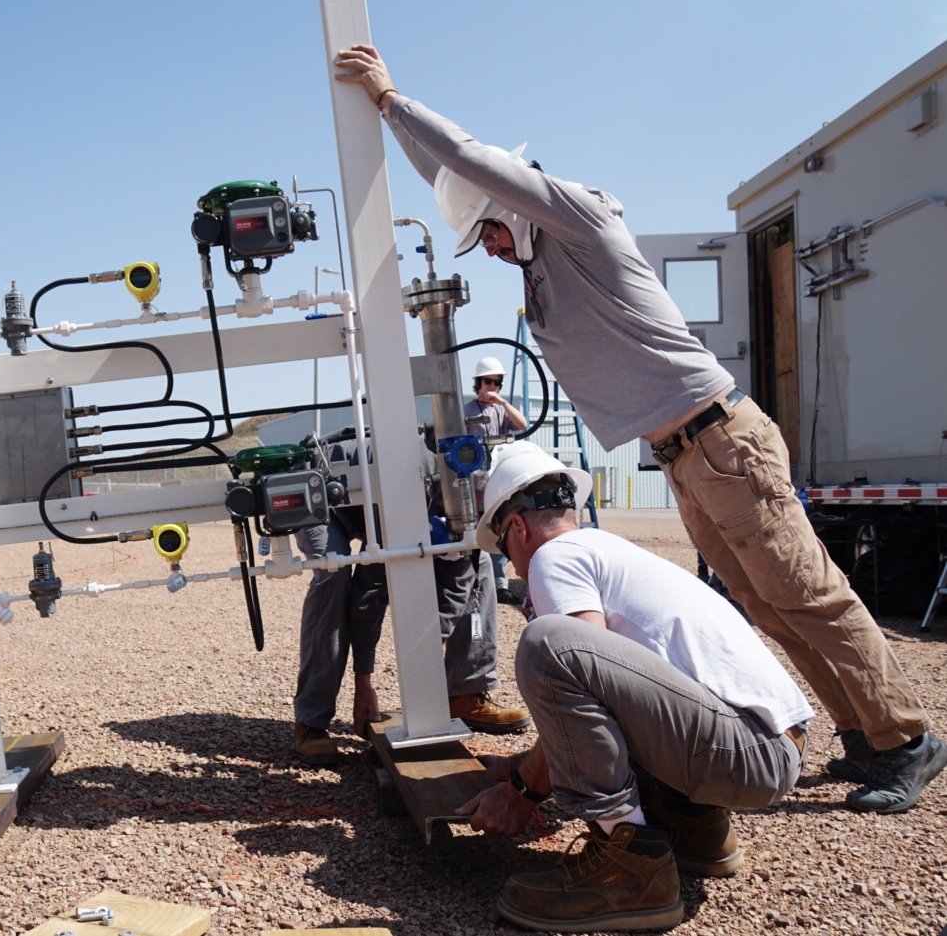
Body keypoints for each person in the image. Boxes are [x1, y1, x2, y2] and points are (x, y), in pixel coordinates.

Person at [333, 43, 946, 815]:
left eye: (486, 234)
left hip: (720, 439)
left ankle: (905, 740)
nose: (486, 250)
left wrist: (392, 101)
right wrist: (407, 141)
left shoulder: (579, 222)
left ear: (513, 209)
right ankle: (862, 734)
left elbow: (471, 163)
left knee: (811, 595)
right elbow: (457, 181)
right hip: (687, 454)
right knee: (768, 602)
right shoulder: (539, 258)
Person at [455, 442, 812, 932]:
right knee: (586, 666)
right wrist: (527, 765)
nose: (513, 565)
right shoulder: (610, 550)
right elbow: (612, 695)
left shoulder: (554, 557)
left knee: (547, 644)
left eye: (504, 548)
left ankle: (632, 871)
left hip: (744, 755)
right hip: (768, 745)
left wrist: (523, 792)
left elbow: (573, 665)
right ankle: (694, 827)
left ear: (516, 527)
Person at [292, 428, 530, 764]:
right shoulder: (410, 492)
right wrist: (365, 683)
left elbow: (457, 588)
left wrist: (423, 662)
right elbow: (369, 596)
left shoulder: (472, 493)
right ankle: (311, 719)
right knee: (334, 574)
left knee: (482, 571)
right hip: (322, 490)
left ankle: (465, 691)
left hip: (391, 497)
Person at [464, 356, 527, 607]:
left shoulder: (501, 409)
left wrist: (502, 402)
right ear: (478, 382)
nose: (493, 387)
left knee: (497, 526)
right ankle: (474, 581)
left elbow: (522, 425)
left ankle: (498, 585)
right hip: (472, 481)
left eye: (497, 383)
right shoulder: (467, 411)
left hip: (496, 477)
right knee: (473, 528)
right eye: (489, 381)